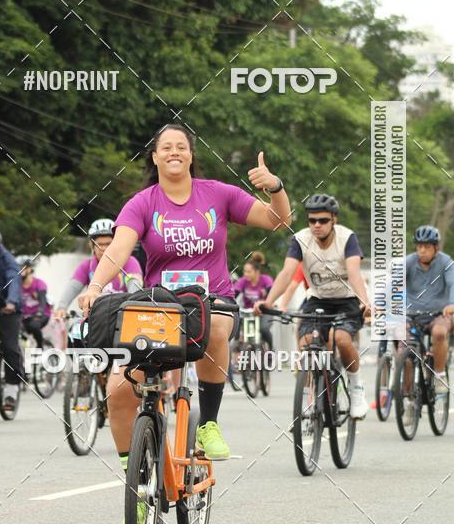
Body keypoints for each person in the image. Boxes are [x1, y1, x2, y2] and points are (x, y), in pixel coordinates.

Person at [78, 122, 291, 470]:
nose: (174, 152)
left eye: (181, 146)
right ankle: (135, 477)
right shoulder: (142, 203)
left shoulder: (219, 194)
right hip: (160, 307)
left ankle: (208, 423)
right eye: (166, 147)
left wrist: (276, 189)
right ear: (155, 157)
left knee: (216, 329)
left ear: (191, 155)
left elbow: (277, 221)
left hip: (212, 300)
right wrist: (95, 287)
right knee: (117, 390)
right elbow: (117, 250)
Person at [258, 193, 370, 419]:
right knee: (307, 343)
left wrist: (364, 302)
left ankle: (356, 389)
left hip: (346, 300)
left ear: (334, 220)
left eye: (323, 220)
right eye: (312, 220)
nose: (317, 225)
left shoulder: (347, 238)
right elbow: (287, 272)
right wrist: (269, 301)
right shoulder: (300, 239)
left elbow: (354, 273)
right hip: (318, 300)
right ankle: (312, 394)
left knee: (341, 339)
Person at [405, 226, 454, 390]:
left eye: (427, 246)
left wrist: (453, 304)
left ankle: (439, 375)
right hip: (412, 315)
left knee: (439, 333)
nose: (422, 250)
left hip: (438, 314)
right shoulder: (408, 261)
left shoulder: (446, 262)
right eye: (419, 246)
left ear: (436, 248)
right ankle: (407, 397)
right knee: (404, 348)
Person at [54, 218, 144, 316]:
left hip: (121, 316)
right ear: (92, 246)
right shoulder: (86, 266)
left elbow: (134, 285)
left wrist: (132, 306)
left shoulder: (129, 262)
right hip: (94, 318)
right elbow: (73, 287)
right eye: (99, 244)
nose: (104, 248)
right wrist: (61, 308)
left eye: (108, 244)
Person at [0, 228, 25, 413]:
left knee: (9, 346)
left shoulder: (8, 260)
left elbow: (14, 281)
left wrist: (11, 302)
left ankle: (11, 388)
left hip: (9, 308)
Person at [18, 256, 51, 348]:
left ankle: (40, 347)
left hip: (41, 315)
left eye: (21, 268)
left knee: (34, 325)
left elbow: (42, 300)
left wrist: (40, 311)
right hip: (24, 317)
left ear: (28, 269)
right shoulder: (16, 285)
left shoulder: (39, 283)